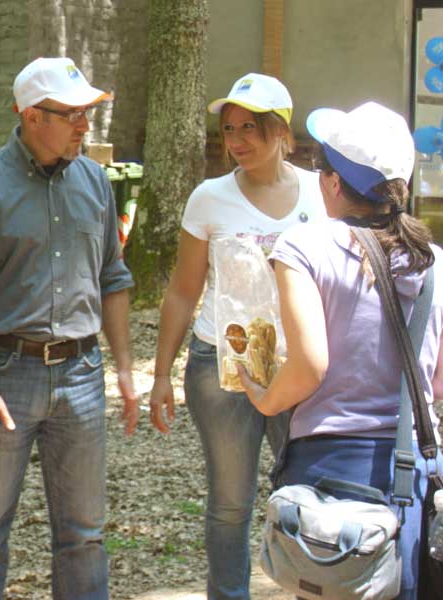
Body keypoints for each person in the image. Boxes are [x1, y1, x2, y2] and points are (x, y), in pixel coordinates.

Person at [0, 57, 138, 600]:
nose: (84, 126)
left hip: (81, 373)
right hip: (6, 376)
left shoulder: (97, 183)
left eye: (87, 114)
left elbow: (113, 278)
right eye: (72, 115)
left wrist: (123, 370)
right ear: (32, 116)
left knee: (84, 535)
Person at [237, 101, 443, 600]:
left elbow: (309, 365)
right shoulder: (434, 261)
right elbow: (436, 384)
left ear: (331, 183)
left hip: (329, 470)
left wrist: (265, 399)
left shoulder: (305, 245)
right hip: (412, 469)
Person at [149, 73, 325, 600]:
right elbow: (182, 292)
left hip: (298, 364)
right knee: (230, 503)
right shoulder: (208, 198)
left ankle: (312, 589)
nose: (237, 140)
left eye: (250, 126)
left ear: (281, 131)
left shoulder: (320, 194)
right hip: (222, 363)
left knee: (305, 496)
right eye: (229, 128)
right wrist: (161, 374)